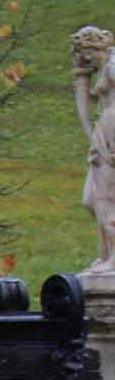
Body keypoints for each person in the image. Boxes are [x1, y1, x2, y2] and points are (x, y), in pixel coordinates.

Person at [71, 25, 115, 275]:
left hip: (113, 131)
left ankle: (113, 258)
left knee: (107, 199)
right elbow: (85, 103)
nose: (85, 58)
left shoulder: (113, 66)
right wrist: (80, 74)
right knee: (91, 200)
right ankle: (106, 253)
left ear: (95, 47)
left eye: (85, 52)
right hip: (104, 129)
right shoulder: (104, 67)